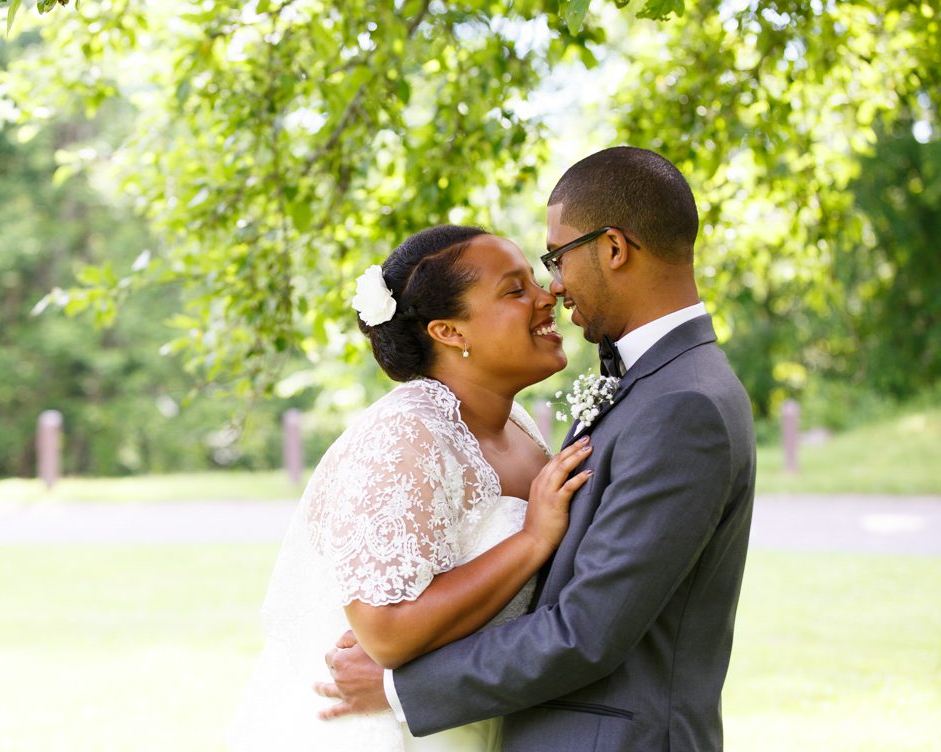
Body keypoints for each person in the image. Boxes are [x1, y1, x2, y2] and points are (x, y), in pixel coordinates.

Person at [318, 147, 757, 752]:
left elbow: (586, 631)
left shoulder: (682, 405)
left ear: (613, 249)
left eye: (554, 259)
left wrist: (400, 689)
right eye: (518, 286)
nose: (552, 288)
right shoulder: (656, 386)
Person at [228, 225, 594, 751]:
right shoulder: (405, 434)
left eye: (536, 282)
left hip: (476, 718)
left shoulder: (516, 424)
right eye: (515, 290)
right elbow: (385, 633)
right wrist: (532, 539)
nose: (548, 296)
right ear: (449, 332)